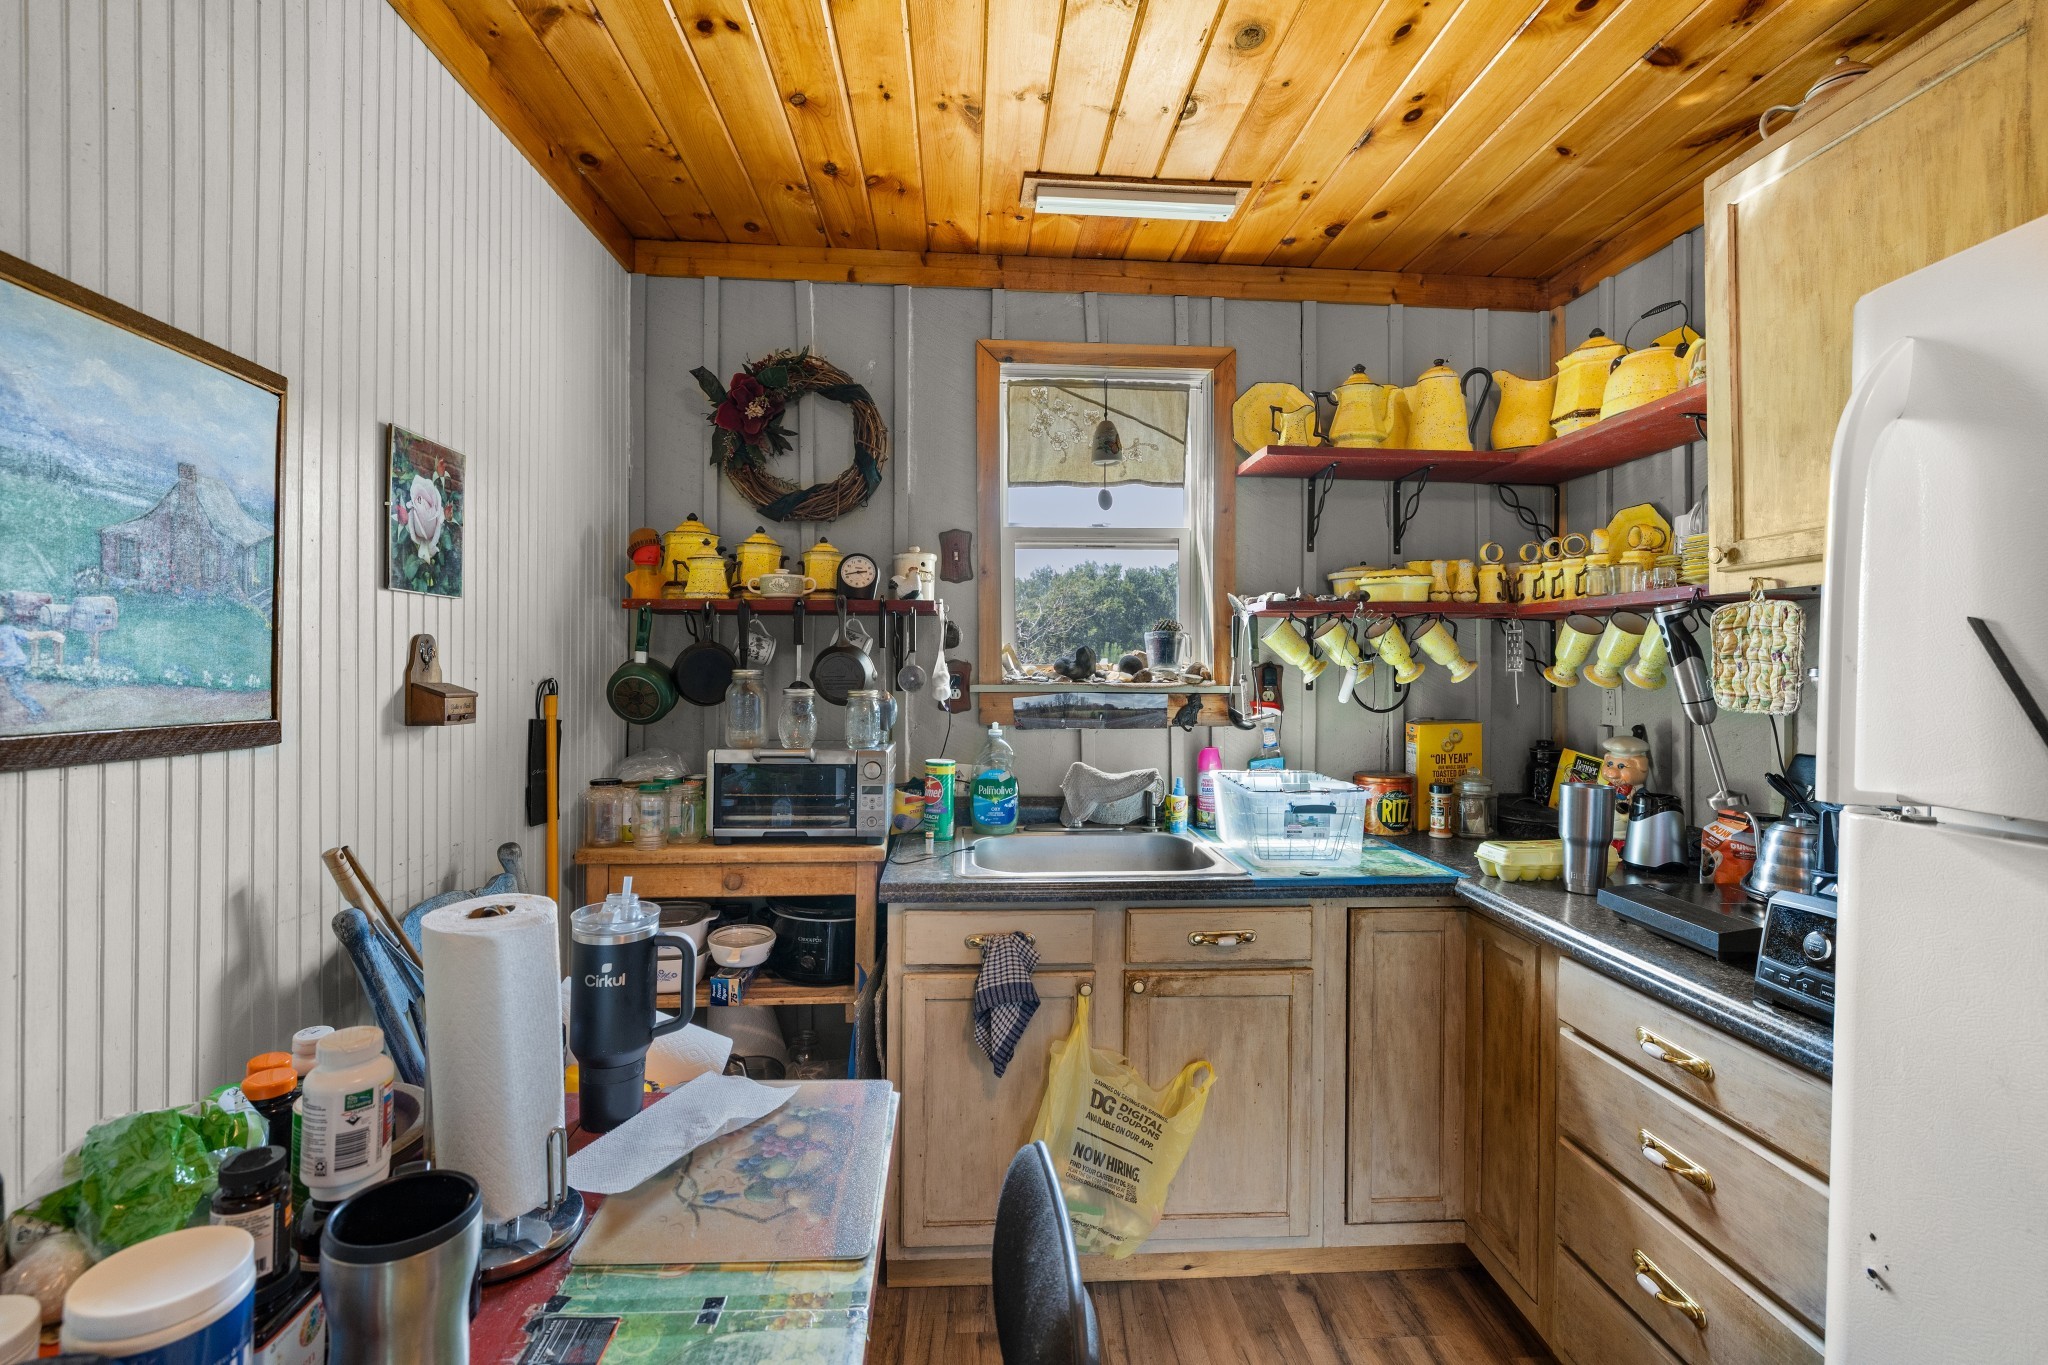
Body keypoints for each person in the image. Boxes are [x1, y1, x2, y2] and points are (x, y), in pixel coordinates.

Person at [0, 618, 48, 721]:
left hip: (13, 665)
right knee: (14, 690)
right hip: (13, 664)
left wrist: (49, 633)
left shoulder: (7, 629)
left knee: (17, 692)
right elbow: (28, 636)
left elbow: (29, 636)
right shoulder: (8, 629)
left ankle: (38, 712)